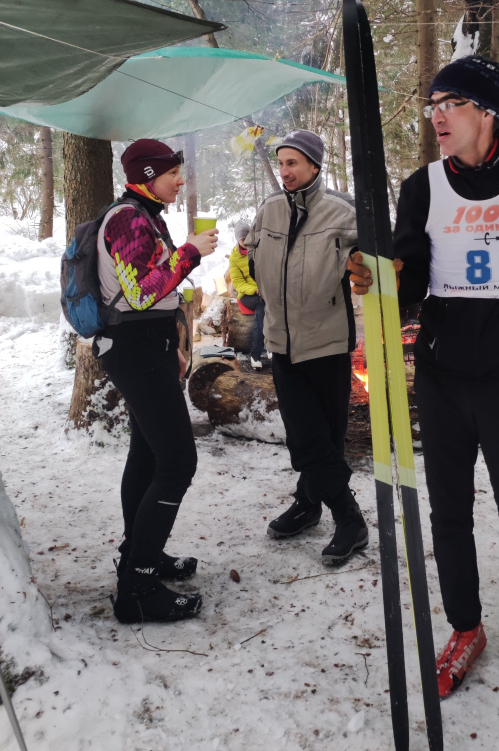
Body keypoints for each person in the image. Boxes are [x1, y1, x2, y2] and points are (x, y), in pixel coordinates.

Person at [348, 55, 499, 738]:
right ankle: (465, 628)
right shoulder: (421, 187)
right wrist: (385, 280)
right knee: (449, 517)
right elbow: (411, 274)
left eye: (450, 103)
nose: (437, 116)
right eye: (432, 105)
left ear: (487, 112)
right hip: (444, 376)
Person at [93, 139, 218, 624]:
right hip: (134, 348)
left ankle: (142, 554)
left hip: (152, 345)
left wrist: (179, 339)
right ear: (146, 174)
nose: (179, 180)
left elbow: (156, 287)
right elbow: (143, 291)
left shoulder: (147, 215)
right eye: (171, 173)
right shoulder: (126, 219)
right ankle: (138, 588)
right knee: (177, 461)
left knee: (147, 455)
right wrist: (190, 252)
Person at [245, 129, 366, 565]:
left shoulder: (342, 211)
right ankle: (343, 516)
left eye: (293, 163)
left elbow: (381, 256)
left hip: (327, 341)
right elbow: (254, 264)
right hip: (281, 339)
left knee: (324, 435)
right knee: (305, 436)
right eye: (281, 164)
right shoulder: (270, 210)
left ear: (315, 165)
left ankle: (315, 505)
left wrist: (362, 266)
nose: (285, 172)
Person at [230, 221, 267, 369]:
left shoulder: (259, 249)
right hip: (247, 295)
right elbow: (238, 283)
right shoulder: (234, 258)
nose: (246, 241)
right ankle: (256, 353)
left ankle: (269, 346)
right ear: (238, 240)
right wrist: (255, 290)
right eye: (242, 239)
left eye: (248, 237)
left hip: (264, 290)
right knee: (262, 306)